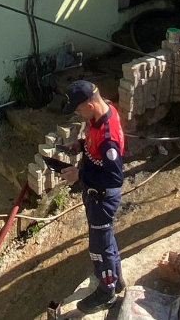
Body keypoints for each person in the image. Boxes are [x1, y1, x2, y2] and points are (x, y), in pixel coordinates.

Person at [59, 80, 126, 312]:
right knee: (106, 240)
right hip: (95, 193)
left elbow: (115, 178)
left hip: (103, 198)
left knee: (99, 248)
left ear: (89, 104)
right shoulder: (99, 114)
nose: (78, 115)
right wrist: (80, 144)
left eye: (79, 110)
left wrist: (80, 175)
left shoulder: (109, 139)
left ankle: (106, 293)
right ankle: (116, 279)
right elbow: (93, 142)